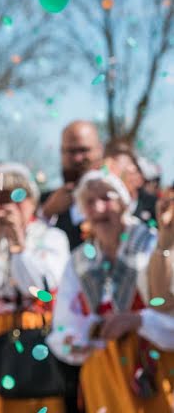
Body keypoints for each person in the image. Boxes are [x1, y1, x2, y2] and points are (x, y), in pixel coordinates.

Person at [47, 170, 174, 413]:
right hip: (103, 374)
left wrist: (138, 320)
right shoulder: (80, 260)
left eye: (107, 198)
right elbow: (63, 323)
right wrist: (76, 338)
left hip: (152, 366)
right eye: (90, 202)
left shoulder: (151, 244)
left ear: (124, 203)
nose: (99, 208)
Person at [0, 163, 70, 413]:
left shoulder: (51, 237)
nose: (9, 207)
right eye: (0, 200)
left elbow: (42, 287)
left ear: (32, 201)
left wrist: (18, 244)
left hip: (37, 331)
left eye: (18, 198)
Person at [41, 121, 104, 249]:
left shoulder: (118, 200)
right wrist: (46, 214)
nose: (77, 158)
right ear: (61, 153)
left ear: (99, 150)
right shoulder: (43, 203)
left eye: (84, 150)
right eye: (70, 151)